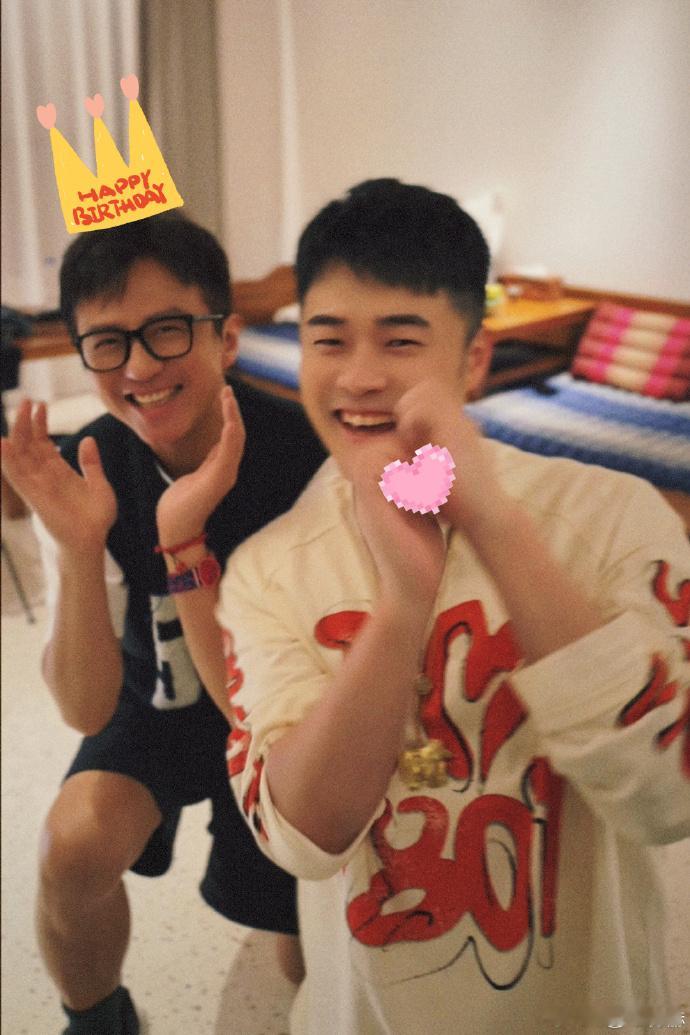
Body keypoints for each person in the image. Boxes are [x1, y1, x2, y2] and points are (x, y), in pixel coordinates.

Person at [155, 180, 690, 1034]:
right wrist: (404, 605)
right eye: (328, 339)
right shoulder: (268, 571)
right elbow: (299, 836)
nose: (360, 376)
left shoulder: (613, 518)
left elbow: (667, 798)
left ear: (473, 360)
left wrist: (494, 525)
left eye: (402, 339)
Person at [0, 212, 326, 1035]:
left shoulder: (307, 457)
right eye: (108, 342)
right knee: (70, 847)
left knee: (304, 954)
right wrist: (80, 548)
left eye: (168, 330)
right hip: (158, 700)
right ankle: (99, 1018)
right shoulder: (88, 466)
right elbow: (84, 707)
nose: (140, 366)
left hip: (281, 713)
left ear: (227, 338)